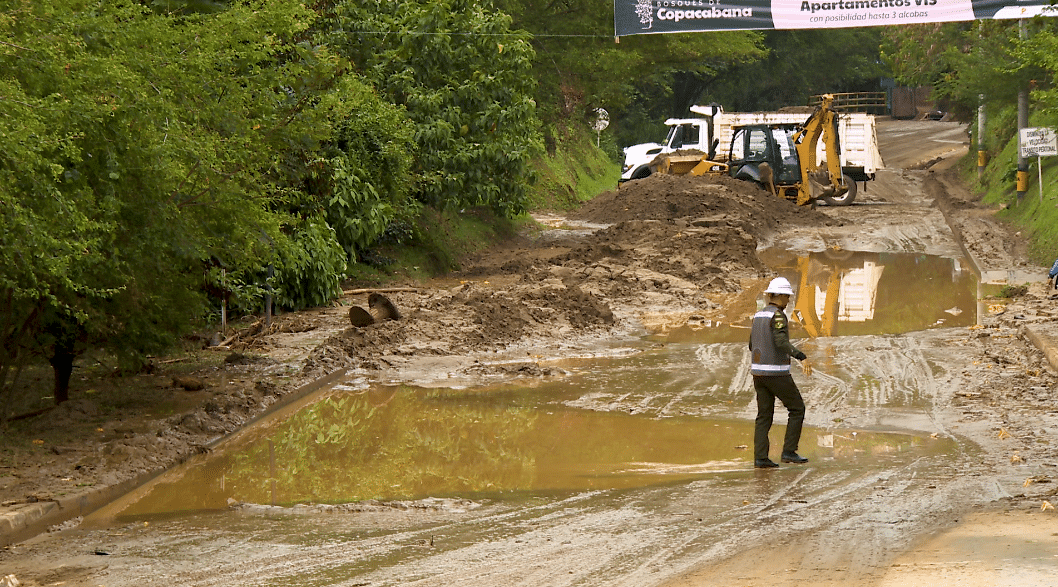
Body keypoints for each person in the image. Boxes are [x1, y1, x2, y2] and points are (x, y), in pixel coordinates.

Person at [749, 277, 812, 469]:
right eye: (787, 297)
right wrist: (801, 356)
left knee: (764, 415)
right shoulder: (778, 316)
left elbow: (751, 344)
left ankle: (761, 458)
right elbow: (781, 342)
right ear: (781, 296)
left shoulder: (758, 315)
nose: (788, 300)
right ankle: (789, 452)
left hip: (758, 373)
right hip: (776, 373)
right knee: (797, 408)